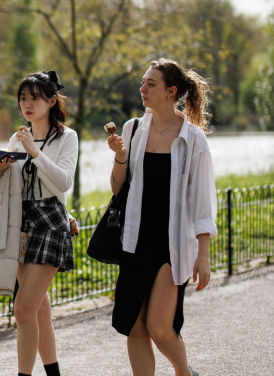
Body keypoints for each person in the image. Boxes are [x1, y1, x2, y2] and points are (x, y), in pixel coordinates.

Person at [105, 58, 218, 376]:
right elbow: (118, 188)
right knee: (135, 328)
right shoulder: (133, 129)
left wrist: (203, 255)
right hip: (134, 240)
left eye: (150, 84)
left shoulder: (193, 139)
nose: (141, 89)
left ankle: (185, 373)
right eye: (142, 82)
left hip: (173, 246)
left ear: (171, 92)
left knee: (159, 326)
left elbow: (203, 203)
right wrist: (120, 157)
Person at [0, 70, 79, 376]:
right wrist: (2, 169)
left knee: (24, 308)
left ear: (52, 101)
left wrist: (34, 151)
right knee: (39, 309)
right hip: (21, 223)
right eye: (23, 98)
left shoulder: (66, 137)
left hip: (50, 223)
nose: (27, 104)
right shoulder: (16, 138)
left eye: (35, 98)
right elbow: (14, 188)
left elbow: (63, 183)